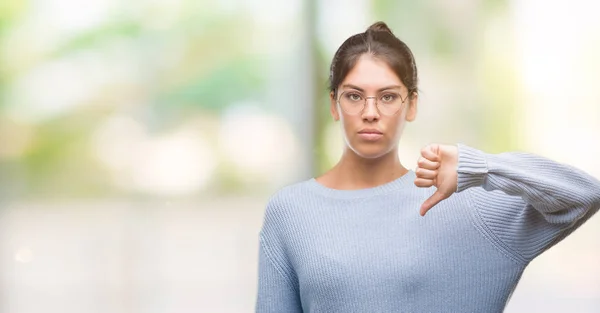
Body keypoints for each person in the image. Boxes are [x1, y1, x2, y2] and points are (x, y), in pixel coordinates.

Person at [254, 21, 600, 313]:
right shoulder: (291, 212)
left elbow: (584, 193)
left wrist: (478, 167)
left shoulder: (468, 207)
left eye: (388, 96)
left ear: (412, 104)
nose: (370, 111)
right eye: (354, 95)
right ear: (334, 104)